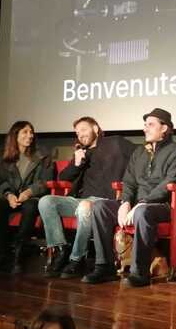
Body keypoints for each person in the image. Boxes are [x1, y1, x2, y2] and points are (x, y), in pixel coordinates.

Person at [83, 108, 176, 287]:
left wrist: (142, 203)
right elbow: (129, 181)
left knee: (142, 212)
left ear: (164, 128)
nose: (145, 129)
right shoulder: (139, 153)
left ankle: (139, 272)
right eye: (145, 125)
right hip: (136, 205)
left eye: (150, 125)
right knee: (100, 207)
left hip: (162, 206)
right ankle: (104, 266)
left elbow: (168, 185)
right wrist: (125, 202)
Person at [39, 116, 136, 278]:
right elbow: (64, 177)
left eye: (83, 129)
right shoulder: (81, 153)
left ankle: (77, 259)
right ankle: (61, 251)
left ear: (96, 129)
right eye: (77, 132)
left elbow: (140, 153)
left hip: (104, 201)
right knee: (46, 201)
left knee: (85, 206)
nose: (80, 135)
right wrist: (77, 163)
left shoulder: (115, 143)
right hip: (79, 200)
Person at [0, 120, 52, 274]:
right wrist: (9, 195)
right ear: (15, 135)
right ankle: (1, 254)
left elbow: (44, 182)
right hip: (12, 196)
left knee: (30, 207)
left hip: (32, 197)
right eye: (25, 132)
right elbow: (1, 180)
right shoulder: (6, 154)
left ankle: (18, 254)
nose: (29, 135)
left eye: (31, 132)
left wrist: (28, 193)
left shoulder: (42, 154)